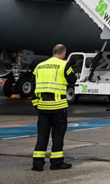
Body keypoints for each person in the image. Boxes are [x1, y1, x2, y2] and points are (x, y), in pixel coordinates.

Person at [31, 43, 76, 171]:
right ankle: (56, 162)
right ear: (63, 53)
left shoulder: (39, 66)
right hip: (58, 108)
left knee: (42, 135)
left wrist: (36, 104)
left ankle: (37, 164)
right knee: (57, 135)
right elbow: (73, 80)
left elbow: (33, 87)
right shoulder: (64, 65)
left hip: (43, 108)